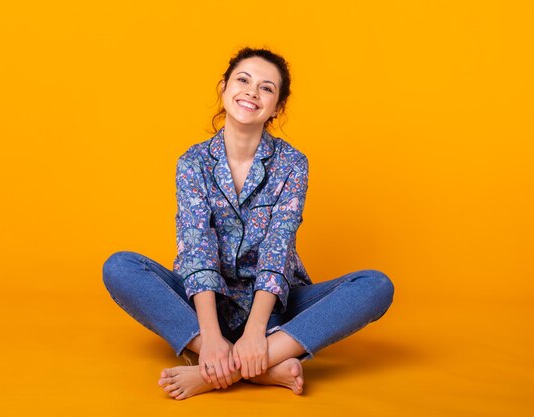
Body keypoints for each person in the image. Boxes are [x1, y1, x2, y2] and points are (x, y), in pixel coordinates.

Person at [102, 47, 394, 400]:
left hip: (273, 308)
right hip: (205, 306)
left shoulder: (292, 163)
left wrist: (256, 330)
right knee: (120, 267)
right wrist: (210, 334)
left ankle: (217, 370)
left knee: (375, 286)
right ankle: (244, 360)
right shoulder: (192, 162)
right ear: (224, 88)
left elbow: (278, 247)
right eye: (243, 80)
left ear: (277, 107)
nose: (252, 92)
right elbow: (197, 249)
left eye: (266, 88)